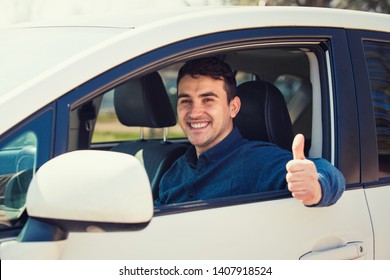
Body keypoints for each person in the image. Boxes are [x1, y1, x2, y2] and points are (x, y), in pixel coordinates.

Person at [154, 57, 345, 207]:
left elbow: (327, 172)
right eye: (185, 101)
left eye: (208, 100)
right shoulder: (174, 171)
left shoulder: (258, 162)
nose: (194, 113)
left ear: (233, 107)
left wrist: (317, 186)